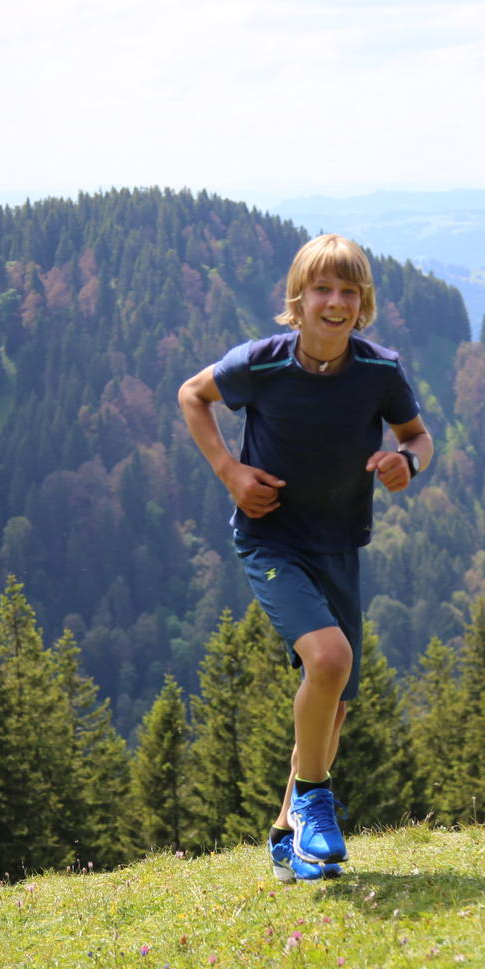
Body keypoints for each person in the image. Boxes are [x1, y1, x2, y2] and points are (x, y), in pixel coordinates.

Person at [178, 233, 433, 882]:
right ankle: (317, 804)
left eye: (350, 291)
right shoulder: (260, 363)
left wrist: (406, 463)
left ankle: (285, 834)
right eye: (323, 288)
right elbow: (192, 396)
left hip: (340, 543)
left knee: (335, 699)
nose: (336, 301)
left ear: (364, 303)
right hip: (271, 540)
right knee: (330, 659)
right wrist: (230, 472)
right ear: (298, 299)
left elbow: (418, 436)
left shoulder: (379, 372)